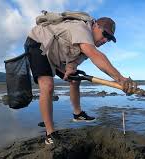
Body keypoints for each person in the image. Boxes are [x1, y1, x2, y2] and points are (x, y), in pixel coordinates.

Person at [24, 16, 137, 146]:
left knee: (75, 80)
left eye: (109, 39)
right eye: (105, 34)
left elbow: (73, 62)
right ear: (95, 26)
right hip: (38, 43)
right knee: (48, 85)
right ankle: (50, 134)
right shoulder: (82, 28)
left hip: (55, 54)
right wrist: (121, 79)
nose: (105, 40)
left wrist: (70, 68)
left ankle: (77, 114)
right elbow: (95, 55)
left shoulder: (86, 46)